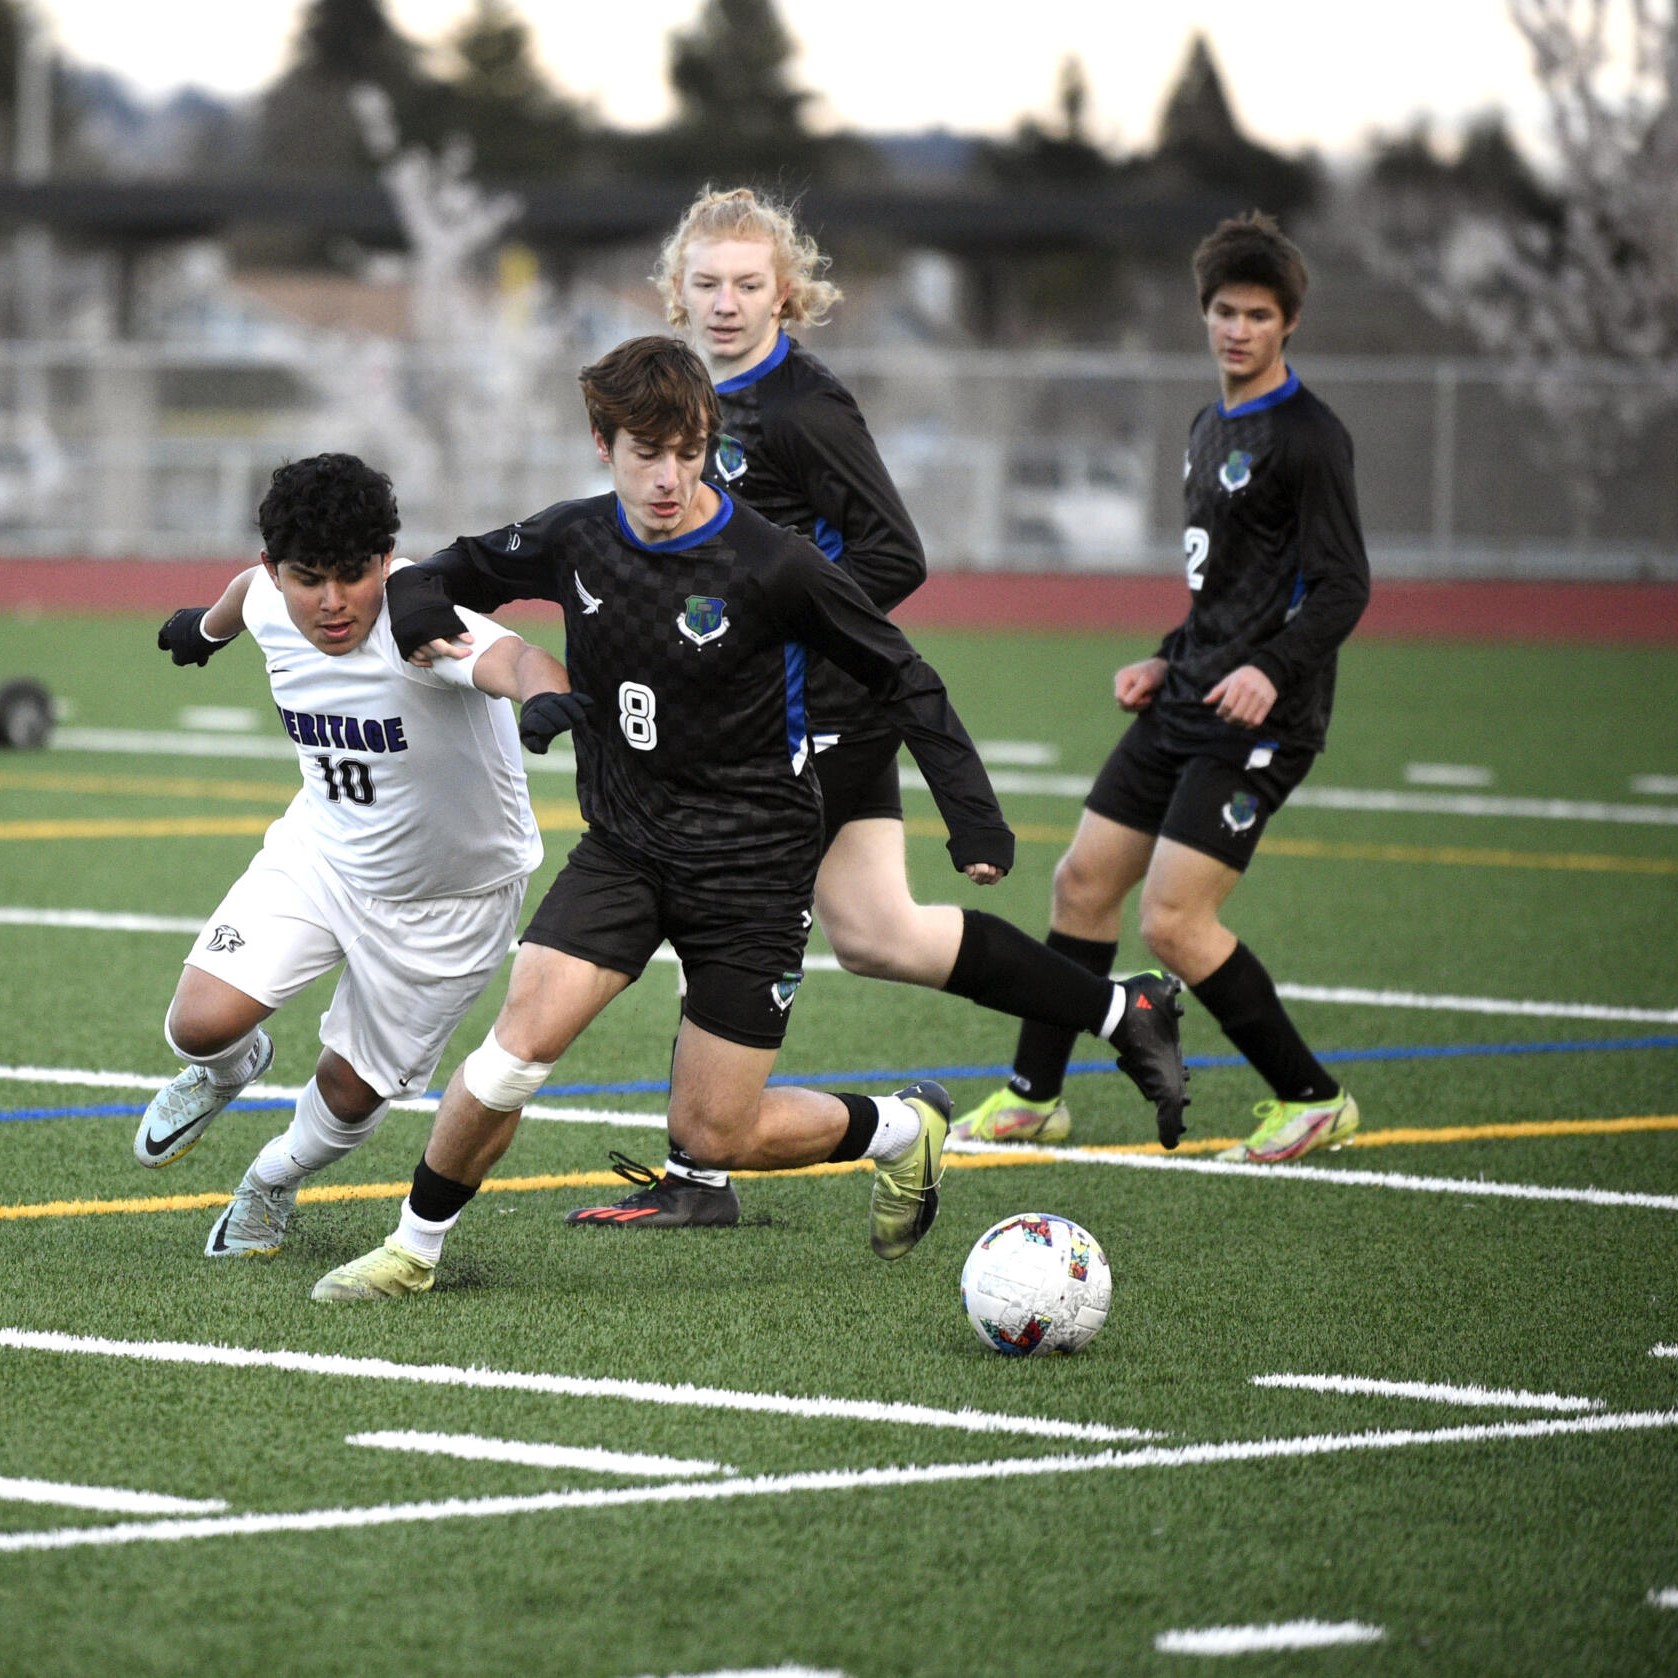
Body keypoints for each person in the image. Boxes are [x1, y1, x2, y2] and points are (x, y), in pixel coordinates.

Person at [310, 334, 1015, 1301]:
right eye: (648, 453)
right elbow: (426, 579)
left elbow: (904, 676)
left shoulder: (774, 563)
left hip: (754, 870)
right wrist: (487, 662)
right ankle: (412, 1250)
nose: (671, 477)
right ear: (604, 444)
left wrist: (973, 821)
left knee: (715, 1135)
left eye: (691, 453)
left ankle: (902, 1128)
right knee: (518, 1045)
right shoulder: (577, 536)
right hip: (627, 850)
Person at [561, 185, 1188, 1231]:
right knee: (879, 934)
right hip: (777, 715)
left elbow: (895, 551)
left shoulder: (805, 408)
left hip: (816, 713)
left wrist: (781, 626)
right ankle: (1125, 1009)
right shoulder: (677, 399)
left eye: (748, 284)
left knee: (724, 898)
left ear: (785, 293)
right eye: (706, 283)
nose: (725, 302)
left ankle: (701, 1173)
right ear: (675, 289)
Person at [958, 211, 1371, 1164]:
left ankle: (1313, 1099)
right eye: (1224, 311)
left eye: (1259, 315)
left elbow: (1344, 585)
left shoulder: (1309, 438)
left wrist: (1271, 670)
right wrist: (1164, 655)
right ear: (1206, 314)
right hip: (1186, 696)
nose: (1238, 329)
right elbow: (1226, 592)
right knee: (1082, 883)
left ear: (1288, 324)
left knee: (1176, 921)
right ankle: (1033, 1097)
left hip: (1263, 719)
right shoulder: (1204, 425)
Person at [136, 452, 576, 1257]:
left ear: (386, 560)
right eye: (309, 578)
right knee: (199, 1026)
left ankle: (270, 1180)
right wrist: (205, 629)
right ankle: (231, 1070)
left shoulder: (419, 623)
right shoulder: (270, 593)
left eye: (354, 575)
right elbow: (245, 595)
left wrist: (545, 693)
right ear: (280, 569)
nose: (333, 603)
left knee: (347, 1091)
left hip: (452, 897)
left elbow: (510, 656)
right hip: (325, 851)